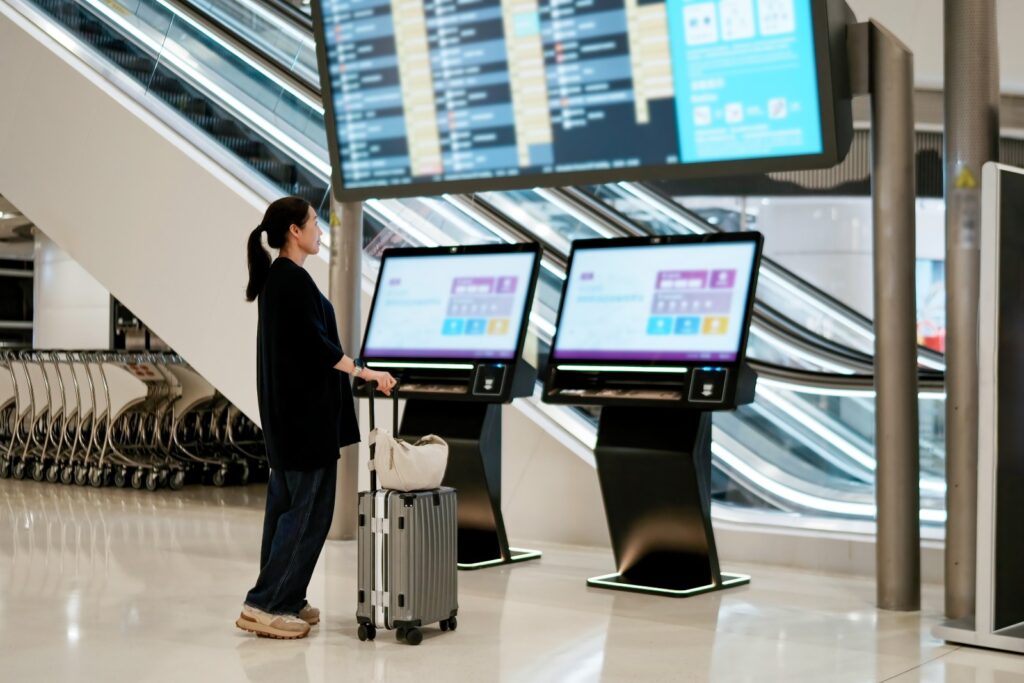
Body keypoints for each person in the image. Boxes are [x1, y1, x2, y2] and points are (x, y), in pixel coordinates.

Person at [236, 196, 396, 639]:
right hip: (304, 424)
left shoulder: (280, 280)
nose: (320, 231)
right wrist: (367, 371)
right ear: (294, 231)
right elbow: (319, 348)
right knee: (307, 514)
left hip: (292, 422)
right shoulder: (289, 281)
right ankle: (265, 603)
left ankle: (283, 597)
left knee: (287, 510)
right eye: (313, 224)